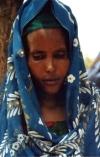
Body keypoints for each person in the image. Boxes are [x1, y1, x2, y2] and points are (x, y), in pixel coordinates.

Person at [0, 0, 100, 156]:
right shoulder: (6, 109)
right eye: (38, 56)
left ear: (72, 55)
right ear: (23, 59)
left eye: (59, 55)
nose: (50, 67)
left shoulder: (92, 106)